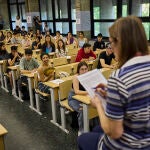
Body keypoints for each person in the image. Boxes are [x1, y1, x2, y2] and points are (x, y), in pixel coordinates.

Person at [78, 16, 150, 150]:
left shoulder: (119, 78)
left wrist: (98, 105)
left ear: (121, 43)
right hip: (146, 136)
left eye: (111, 43)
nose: (111, 48)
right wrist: (113, 90)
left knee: (83, 138)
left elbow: (114, 132)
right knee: (97, 129)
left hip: (129, 145)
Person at [68, 61, 88, 136]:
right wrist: (88, 91)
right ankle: (81, 131)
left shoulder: (88, 76)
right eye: (82, 69)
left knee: (95, 107)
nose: (84, 71)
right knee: (82, 110)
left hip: (83, 97)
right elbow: (76, 91)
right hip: (73, 98)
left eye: (86, 69)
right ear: (78, 70)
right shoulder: (76, 77)